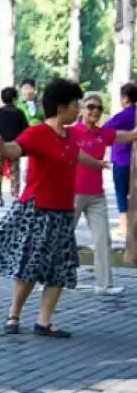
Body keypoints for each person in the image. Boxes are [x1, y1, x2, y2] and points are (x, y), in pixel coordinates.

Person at [0, 78, 107, 339]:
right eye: (75, 104)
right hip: (38, 211)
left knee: (60, 267)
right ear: (61, 107)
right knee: (30, 266)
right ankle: (13, 314)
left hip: (62, 212)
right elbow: (16, 149)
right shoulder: (38, 133)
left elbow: (76, 155)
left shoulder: (68, 136)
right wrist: (1, 146)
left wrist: (98, 164)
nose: (79, 108)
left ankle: (43, 322)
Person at [71, 93, 137, 295]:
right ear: (81, 110)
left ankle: (105, 284)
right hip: (72, 194)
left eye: (99, 108)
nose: (95, 111)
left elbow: (130, 135)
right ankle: (48, 280)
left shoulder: (103, 133)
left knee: (103, 239)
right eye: (90, 107)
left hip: (96, 195)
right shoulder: (70, 132)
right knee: (61, 238)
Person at [103, 82, 137, 235]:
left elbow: (105, 128)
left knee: (121, 193)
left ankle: (124, 224)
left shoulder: (124, 115)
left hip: (122, 158)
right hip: (132, 159)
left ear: (125, 98)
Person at [0, 87, 29, 207]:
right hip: (14, 146)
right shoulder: (19, 113)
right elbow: (26, 129)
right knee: (14, 171)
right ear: (15, 98)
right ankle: (15, 196)